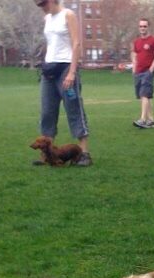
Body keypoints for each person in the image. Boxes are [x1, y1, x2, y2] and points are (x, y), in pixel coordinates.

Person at [34, 0, 91, 166]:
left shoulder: (68, 15)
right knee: (47, 112)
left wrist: (72, 72)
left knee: (73, 107)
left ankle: (84, 153)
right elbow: (51, 43)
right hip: (49, 70)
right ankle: (48, 155)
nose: (42, 8)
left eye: (43, 4)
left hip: (66, 68)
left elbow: (76, 43)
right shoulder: (47, 19)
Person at [131, 18, 154, 129]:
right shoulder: (136, 42)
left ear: (148, 27)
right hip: (138, 72)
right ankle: (151, 120)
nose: (142, 28)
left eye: (145, 26)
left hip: (148, 72)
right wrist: (134, 68)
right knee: (144, 96)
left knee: (144, 94)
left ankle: (143, 119)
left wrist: (151, 70)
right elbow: (134, 55)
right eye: (141, 26)